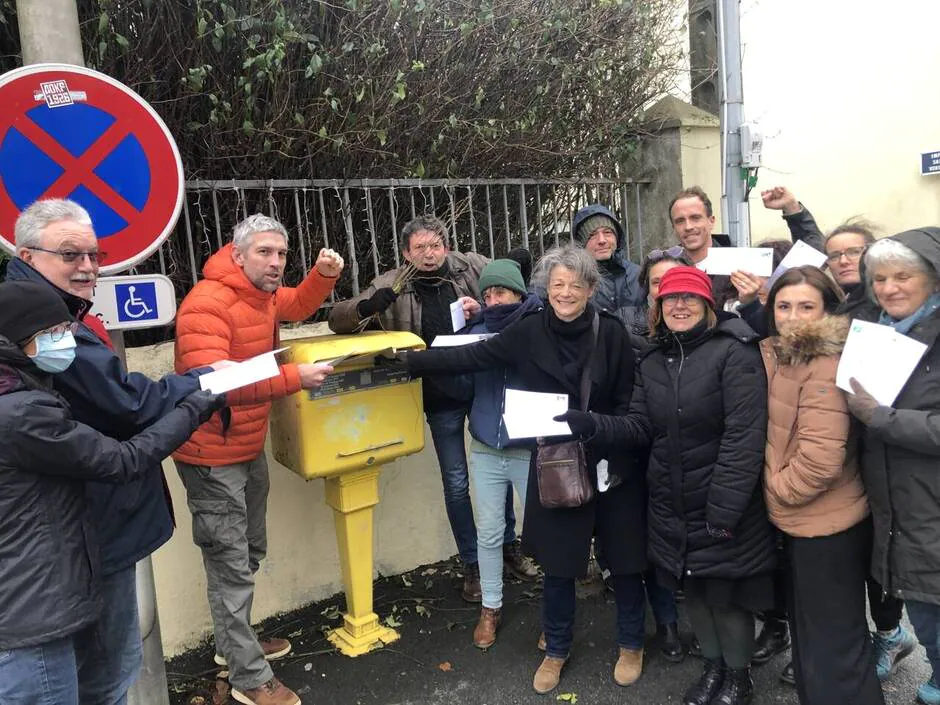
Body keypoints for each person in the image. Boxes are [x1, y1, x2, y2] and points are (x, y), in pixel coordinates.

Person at [6, 198, 226, 705]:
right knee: (106, 675)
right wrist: (202, 392)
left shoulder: (41, 316)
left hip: (63, 549)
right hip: (77, 541)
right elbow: (129, 418)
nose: (87, 267)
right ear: (27, 255)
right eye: (70, 254)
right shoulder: (38, 334)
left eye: (93, 254)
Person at [400, 245, 649, 693]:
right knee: (558, 566)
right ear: (546, 288)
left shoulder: (610, 333)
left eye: (576, 285)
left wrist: (601, 429)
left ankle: (631, 643)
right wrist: (410, 361)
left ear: (591, 289)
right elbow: (472, 357)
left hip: (611, 458)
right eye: (558, 285)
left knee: (625, 562)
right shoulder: (528, 330)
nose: (566, 293)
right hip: (556, 462)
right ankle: (556, 648)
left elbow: (631, 401)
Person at [565, 266, 776, 705]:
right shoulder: (655, 359)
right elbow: (641, 425)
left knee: (726, 594)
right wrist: (592, 425)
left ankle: (738, 677)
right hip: (670, 500)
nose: (679, 305)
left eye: (689, 298)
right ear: (658, 309)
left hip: (722, 500)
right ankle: (713, 668)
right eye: (670, 299)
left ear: (707, 305)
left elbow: (743, 437)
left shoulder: (734, 353)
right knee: (694, 590)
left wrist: (724, 508)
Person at [173, 214, 343, 705]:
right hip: (211, 456)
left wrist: (323, 275)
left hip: (247, 447)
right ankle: (249, 678)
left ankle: (234, 644)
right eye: (265, 253)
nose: (275, 263)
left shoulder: (261, 294)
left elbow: (295, 303)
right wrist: (296, 379)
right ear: (237, 253)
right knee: (230, 564)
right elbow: (217, 385)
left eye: (281, 255)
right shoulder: (206, 304)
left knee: (248, 552)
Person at [329, 215, 537, 601]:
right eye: (420, 247)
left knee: (501, 465)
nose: (430, 254)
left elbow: (510, 296)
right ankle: (473, 564)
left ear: (446, 245)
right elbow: (337, 319)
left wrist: (484, 307)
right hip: (438, 396)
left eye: (436, 245)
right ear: (406, 252)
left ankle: (508, 547)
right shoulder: (392, 283)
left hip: (480, 388)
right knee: (457, 482)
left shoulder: (470, 265)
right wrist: (367, 308)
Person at [761, 266, 885, 705]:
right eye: (784, 306)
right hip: (807, 524)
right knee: (814, 643)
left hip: (826, 527)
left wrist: (775, 493)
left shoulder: (824, 362)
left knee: (836, 649)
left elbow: (819, 462)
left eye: (806, 306)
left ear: (828, 309)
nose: (794, 317)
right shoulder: (787, 355)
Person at [818, 217, 918, 680]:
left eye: (852, 252)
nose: (843, 259)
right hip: (849, 450)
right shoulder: (844, 306)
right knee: (861, 555)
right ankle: (869, 638)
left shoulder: (886, 310)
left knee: (887, 555)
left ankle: (890, 634)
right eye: (834, 253)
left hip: (891, 452)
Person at [846, 228, 940, 705]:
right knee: (922, 609)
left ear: (933, 280)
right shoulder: (871, 329)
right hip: (892, 502)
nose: (889, 287)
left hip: (930, 501)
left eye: (903, 276)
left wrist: (880, 418)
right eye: (879, 278)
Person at [462, 259, 544, 649]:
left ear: (519, 294)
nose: (494, 300)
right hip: (485, 448)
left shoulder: (539, 329)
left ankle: (554, 612)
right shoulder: (474, 332)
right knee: (490, 533)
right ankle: (490, 607)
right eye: (488, 293)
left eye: (502, 292)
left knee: (545, 535)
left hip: (529, 449)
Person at [668, 185, 823, 310]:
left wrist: (793, 210)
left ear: (711, 221)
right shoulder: (665, 268)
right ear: (674, 227)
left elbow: (810, 259)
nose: (688, 226)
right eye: (680, 221)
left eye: (695, 218)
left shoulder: (741, 262)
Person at [570, 204, 644, 311]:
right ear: (582, 244)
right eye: (592, 235)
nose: (602, 240)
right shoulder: (571, 279)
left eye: (607, 232)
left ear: (617, 238)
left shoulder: (639, 275)